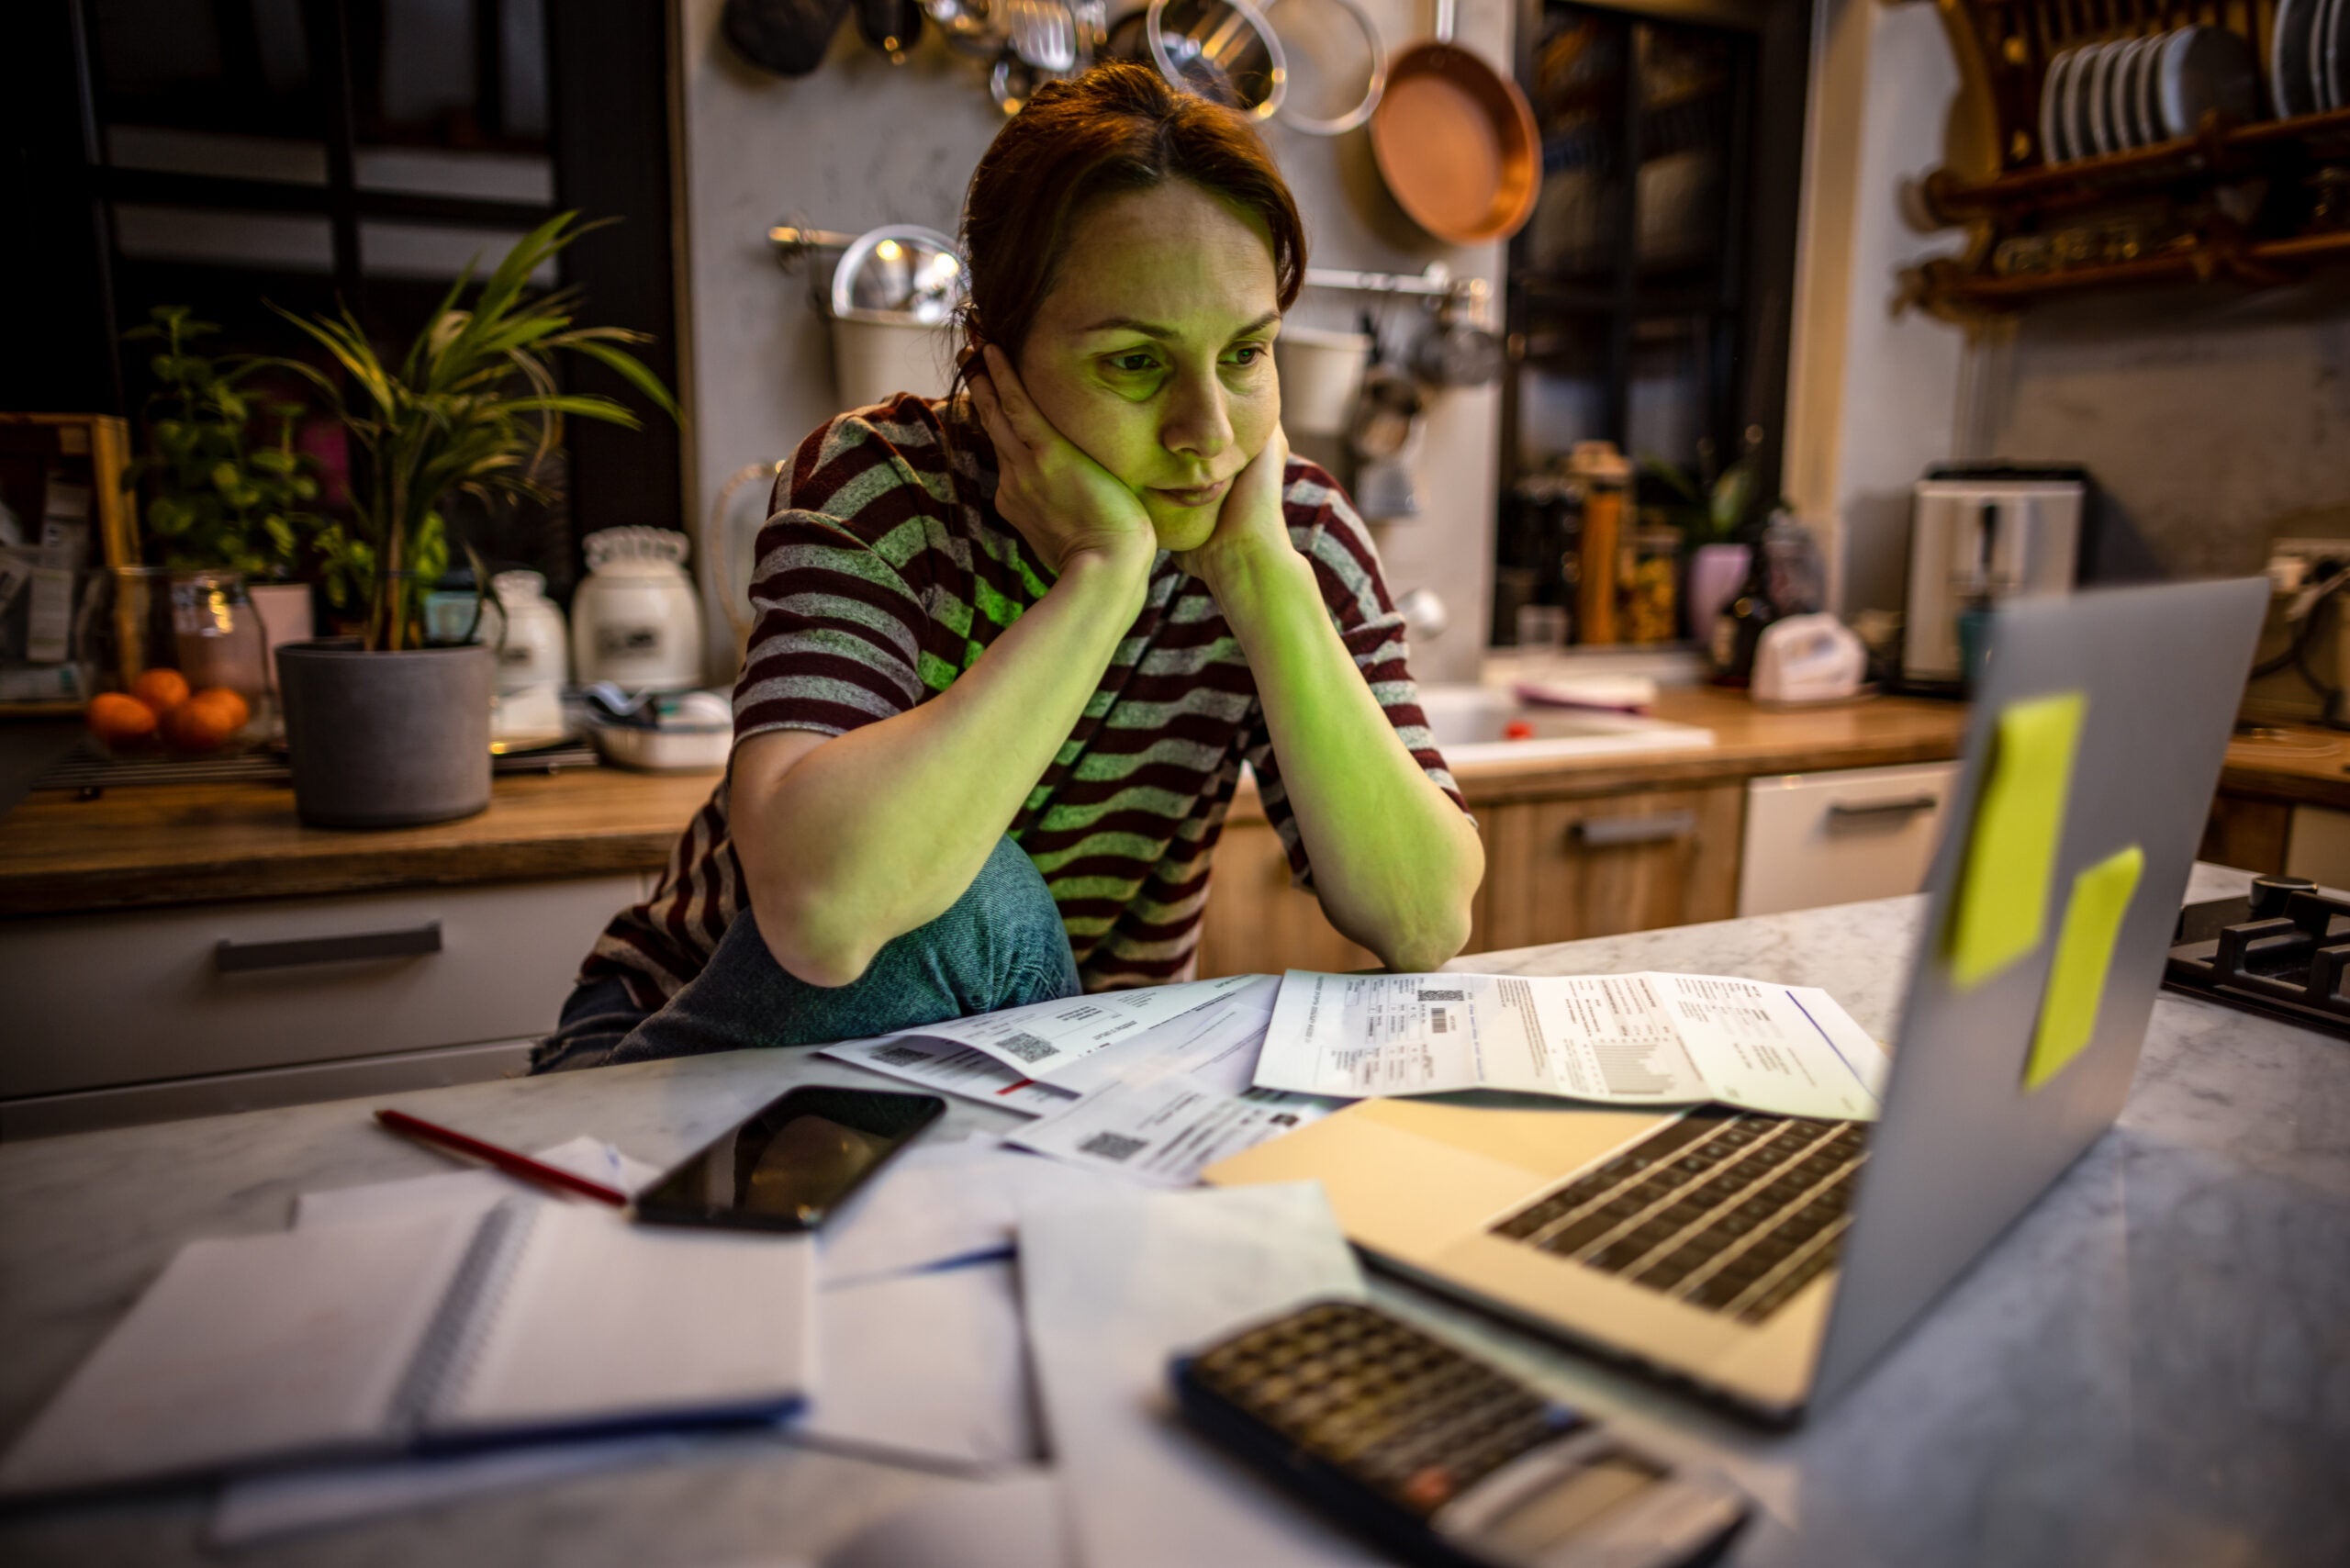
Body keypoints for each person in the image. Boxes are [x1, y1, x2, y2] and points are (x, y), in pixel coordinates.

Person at [534, 62, 1483, 1073]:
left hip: (1034, 1069)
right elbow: (825, 911)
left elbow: (1425, 922)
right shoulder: (878, 485)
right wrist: (1102, 580)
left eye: (1244, 356)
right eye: (1134, 361)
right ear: (993, 358)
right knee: (978, 902)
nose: (1206, 436)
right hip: (687, 1046)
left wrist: (1262, 581)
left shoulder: (1286, 532)